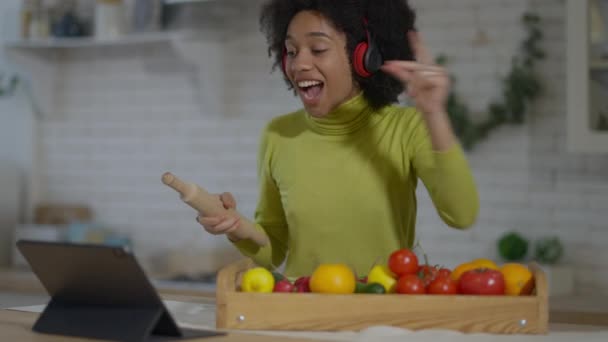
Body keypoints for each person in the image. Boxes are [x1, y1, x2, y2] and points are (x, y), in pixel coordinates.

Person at [197, 0, 479, 278]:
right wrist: (238, 229)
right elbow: (274, 251)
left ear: (364, 56)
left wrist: (434, 113)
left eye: (318, 49)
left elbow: (461, 214)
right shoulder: (278, 134)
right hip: (302, 312)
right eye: (291, 51)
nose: (299, 64)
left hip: (380, 313)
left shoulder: (405, 127)